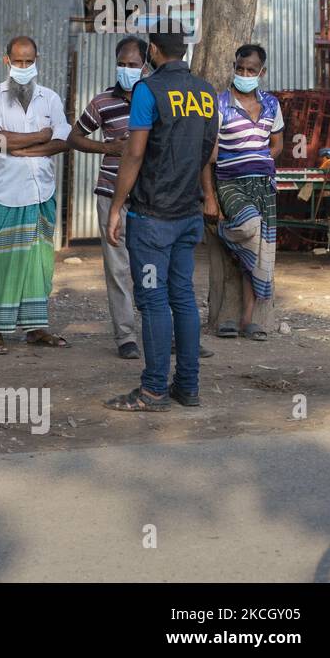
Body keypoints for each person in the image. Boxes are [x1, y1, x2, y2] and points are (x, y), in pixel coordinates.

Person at [103, 31, 218, 412]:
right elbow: (209, 152)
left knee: (152, 302)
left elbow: (133, 155)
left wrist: (117, 206)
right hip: (188, 215)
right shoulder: (206, 93)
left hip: (152, 218)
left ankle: (153, 390)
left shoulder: (147, 91)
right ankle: (188, 386)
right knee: (183, 298)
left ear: (152, 51)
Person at [0, 35, 72, 353]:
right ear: (7, 61)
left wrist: (27, 149)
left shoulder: (50, 98)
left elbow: (63, 139)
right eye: (17, 61)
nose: (23, 67)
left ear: (37, 60)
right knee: (2, 262)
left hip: (42, 192)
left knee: (40, 262)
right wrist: (39, 136)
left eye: (28, 61)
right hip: (7, 194)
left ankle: (36, 327)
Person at [68, 35, 149, 360]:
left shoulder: (155, 98)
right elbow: (74, 137)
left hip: (147, 197)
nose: (126, 69)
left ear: (145, 65)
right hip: (110, 193)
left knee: (149, 267)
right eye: (122, 64)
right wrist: (106, 147)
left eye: (132, 64)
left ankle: (159, 331)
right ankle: (125, 336)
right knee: (117, 268)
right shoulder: (102, 102)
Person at [209, 43, 284, 340]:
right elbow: (210, 154)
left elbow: (277, 143)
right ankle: (225, 230)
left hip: (264, 184)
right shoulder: (220, 103)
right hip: (230, 182)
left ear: (261, 72)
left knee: (259, 254)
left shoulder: (271, 105)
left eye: (250, 70)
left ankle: (246, 320)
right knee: (250, 227)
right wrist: (210, 195)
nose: (244, 74)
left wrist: (262, 158)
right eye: (240, 68)